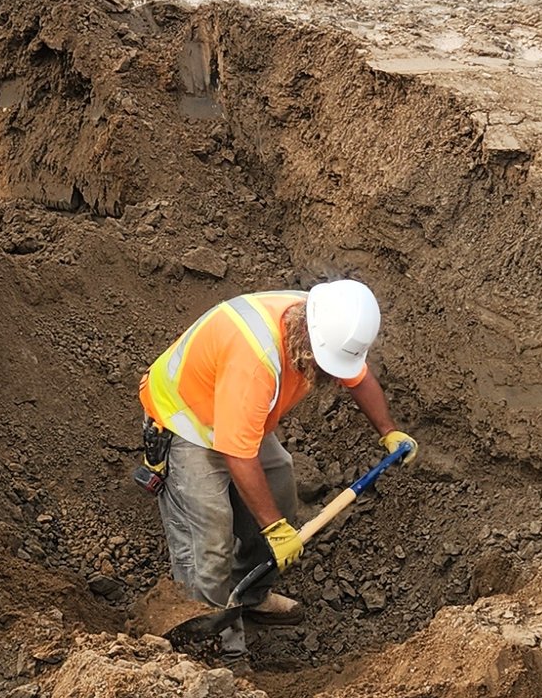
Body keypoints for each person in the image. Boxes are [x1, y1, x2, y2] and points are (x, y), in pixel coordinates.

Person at [138, 278, 413, 654]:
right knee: (210, 544)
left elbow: (358, 377)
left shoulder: (325, 322)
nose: (331, 374)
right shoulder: (255, 361)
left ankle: (249, 593)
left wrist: (389, 432)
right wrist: (274, 529)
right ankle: (212, 648)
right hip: (186, 421)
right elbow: (238, 454)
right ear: (306, 338)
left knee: (280, 490)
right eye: (325, 363)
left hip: (237, 413)